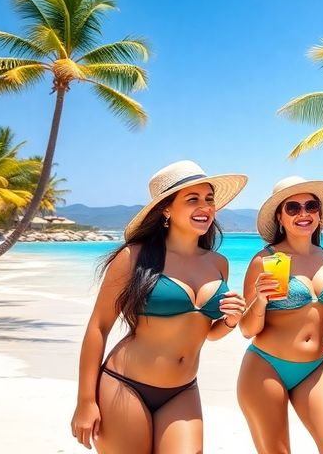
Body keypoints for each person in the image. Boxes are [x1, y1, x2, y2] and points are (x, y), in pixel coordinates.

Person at [70, 160, 248, 452]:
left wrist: (231, 319)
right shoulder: (133, 257)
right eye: (192, 200)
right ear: (166, 209)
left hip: (183, 390)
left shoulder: (218, 263)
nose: (204, 207)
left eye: (209, 199)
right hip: (125, 385)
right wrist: (85, 401)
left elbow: (207, 333)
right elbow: (98, 327)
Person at [237, 176, 323, 453]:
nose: (303, 214)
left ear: (319, 215)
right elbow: (246, 328)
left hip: (315, 368)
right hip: (266, 367)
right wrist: (261, 300)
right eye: (293, 208)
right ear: (280, 216)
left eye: (311, 206)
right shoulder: (263, 260)